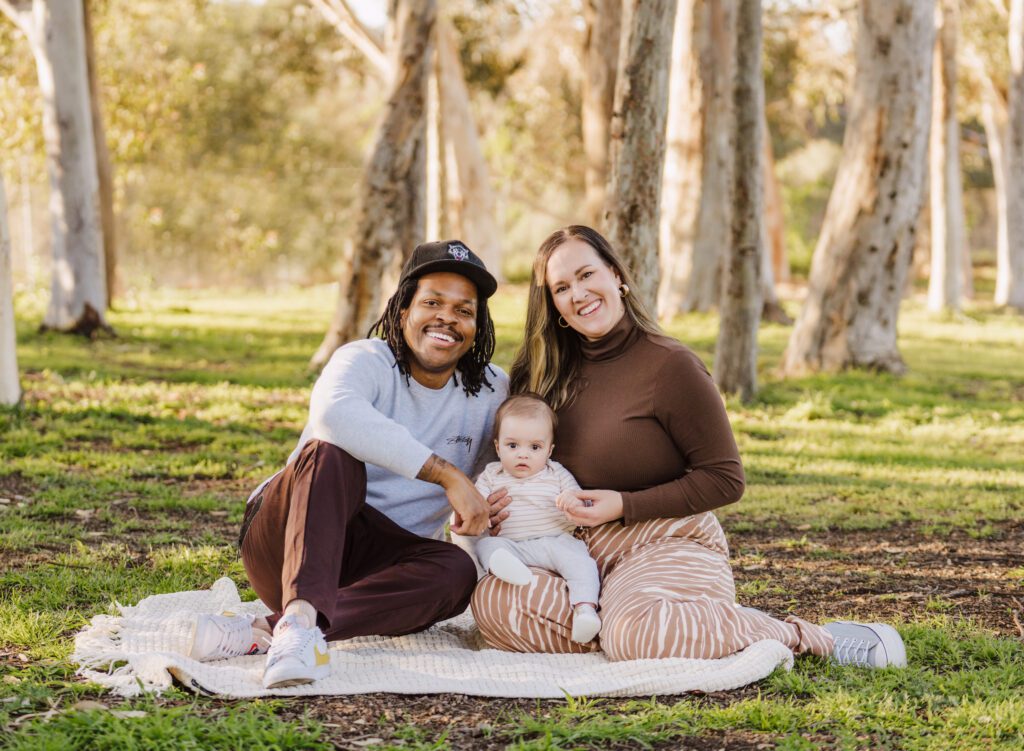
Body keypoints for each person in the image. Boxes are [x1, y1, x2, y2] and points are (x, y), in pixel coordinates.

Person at [470, 225, 906, 670]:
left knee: (633, 633)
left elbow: (725, 479)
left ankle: (802, 636)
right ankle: (646, 627)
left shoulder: (670, 366)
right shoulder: (539, 375)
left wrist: (623, 504)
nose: (578, 293)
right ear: (554, 305)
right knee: (494, 603)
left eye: (586, 275)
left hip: (665, 539)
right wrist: (501, 506)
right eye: (561, 287)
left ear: (617, 275)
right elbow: (518, 464)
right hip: (575, 548)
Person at [189, 240, 509, 688]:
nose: (447, 319)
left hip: (379, 560)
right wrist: (445, 472)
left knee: (456, 573)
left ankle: (274, 629)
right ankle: (298, 618)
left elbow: (507, 470)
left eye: (463, 310)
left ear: (477, 325)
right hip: (288, 538)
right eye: (432, 302)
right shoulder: (365, 359)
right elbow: (333, 416)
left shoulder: (492, 391)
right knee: (331, 451)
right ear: (403, 311)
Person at [472, 394, 601, 644]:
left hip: (554, 541)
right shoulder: (491, 474)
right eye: (512, 446)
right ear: (497, 447)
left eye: (534, 447)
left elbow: (578, 498)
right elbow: (476, 503)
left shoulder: (556, 472)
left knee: (580, 562)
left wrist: (572, 502)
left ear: (549, 450)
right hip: (512, 546)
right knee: (486, 545)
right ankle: (506, 569)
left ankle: (585, 610)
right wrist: (481, 511)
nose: (523, 455)